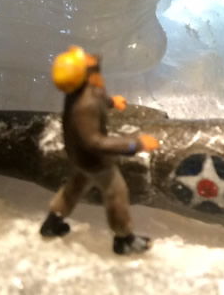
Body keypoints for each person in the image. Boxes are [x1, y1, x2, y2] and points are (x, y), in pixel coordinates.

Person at [40, 45, 159, 254]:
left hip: (79, 156)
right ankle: (124, 239)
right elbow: (95, 142)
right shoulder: (84, 104)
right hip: (93, 160)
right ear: (83, 74)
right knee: (116, 193)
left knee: (73, 189)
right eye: (86, 61)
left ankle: (52, 221)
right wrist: (136, 144)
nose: (90, 58)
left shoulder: (83, 91)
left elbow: (98, 94)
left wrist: (112, 101)